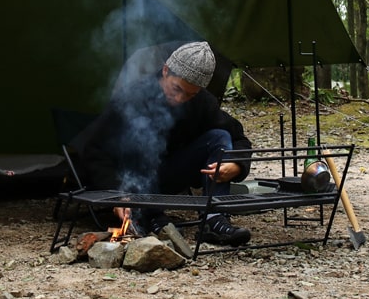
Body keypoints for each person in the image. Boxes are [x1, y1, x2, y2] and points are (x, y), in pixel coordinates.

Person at [81, 41, 253, 246]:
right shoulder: (131, 97)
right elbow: (95, 151)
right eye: (177, 89)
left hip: (169, 176)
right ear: (165, 71)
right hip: (133, 183)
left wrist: (237, 165)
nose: (180, 98)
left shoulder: (202, 103)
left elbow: (239, 138)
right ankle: (152, 217)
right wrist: (116, 193)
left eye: (190, 94)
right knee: (143, 138)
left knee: (219, 136)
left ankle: (214, 218)